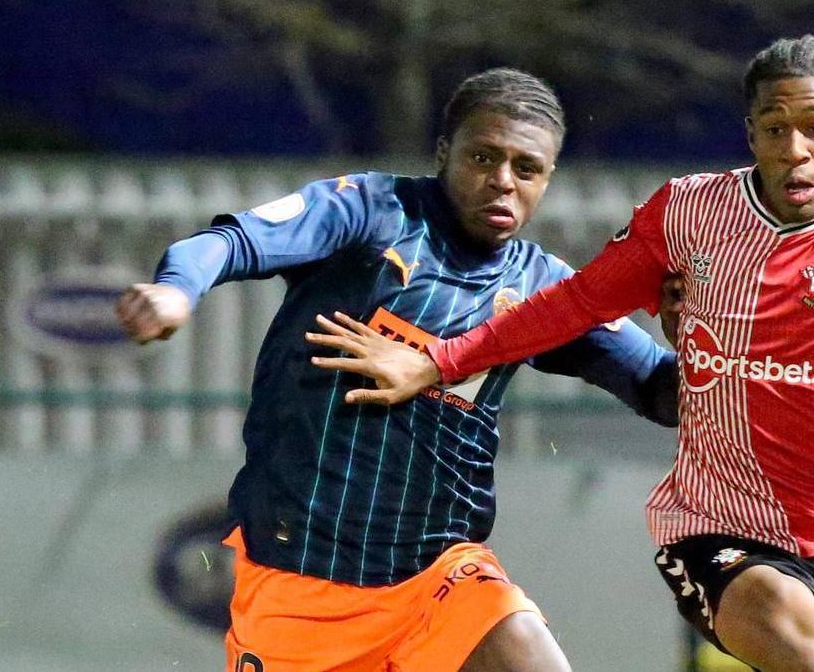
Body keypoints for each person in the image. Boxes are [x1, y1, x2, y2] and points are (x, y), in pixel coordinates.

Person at [322, 35, 814, 672]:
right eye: (774, 128)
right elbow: (575, 303)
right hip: (715, 523)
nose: (795, 148)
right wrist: (438, 360)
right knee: (812, 655)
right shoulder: (689, 211)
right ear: (750, 136)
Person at [115, 68, 680, 672]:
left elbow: (662, 391)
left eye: (526, 168)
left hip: (437, 579)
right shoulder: (369, 211)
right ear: (444, 153)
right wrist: (176, 291)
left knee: (524, 649)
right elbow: (231, 241)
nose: (502, 182)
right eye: (483, 157)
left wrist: (703, 334)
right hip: (299, 584)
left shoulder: (543, 289)